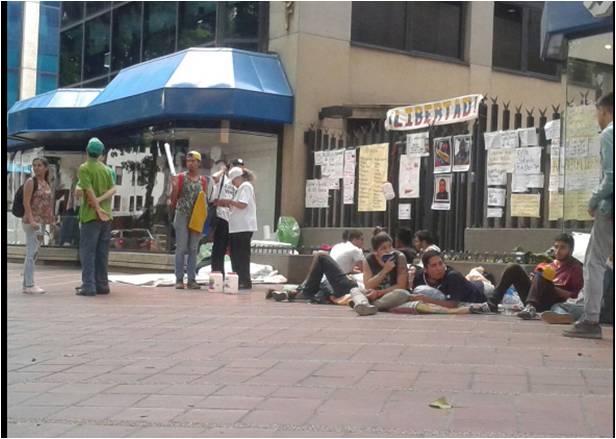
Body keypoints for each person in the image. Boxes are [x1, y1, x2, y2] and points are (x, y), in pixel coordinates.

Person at [564, 93, 614, 339]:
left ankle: (590, 319)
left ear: (605, 111)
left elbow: (611, 176)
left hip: (610, 209)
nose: (598, 118)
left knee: (595, 262)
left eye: (598, 113)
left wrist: (593, 201)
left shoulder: (609, 134)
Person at [486, 234, 583, 318]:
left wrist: (551, 287)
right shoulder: (550, 264)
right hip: (535, 298)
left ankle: (530, 307)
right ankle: (491, 304)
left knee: (542, 274)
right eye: (556, 247)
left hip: (552, 303)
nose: (557, 251)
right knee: (513, 268)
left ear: (570, 250)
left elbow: (575, 296)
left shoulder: (575, 268)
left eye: (562, 247)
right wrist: (534, 281)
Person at [270, 229, 365, 302]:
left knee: (318, 286)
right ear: (355, 239)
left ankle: (296, 292)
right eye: (362, 239)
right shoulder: (356, 250)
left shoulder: (338, 246)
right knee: (321, 256)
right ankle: (300, 293)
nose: (363, 242)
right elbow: (363, 270)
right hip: (337, 282)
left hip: (327, 281)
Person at [76, 138, 115, 297]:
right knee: (102, 252)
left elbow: (88, 190)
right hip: (106, 217)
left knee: (88, 252)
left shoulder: (85, 168)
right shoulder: (108, 170)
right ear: (101, 153)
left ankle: (89, 286)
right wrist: (101, 203)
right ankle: (102, 284)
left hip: (90, 216)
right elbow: (113, 189)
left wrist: (96, 206)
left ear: (87, 150)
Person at [348, 230, 411, 315]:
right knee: (355, 290)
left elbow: (401, 286)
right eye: (383, 248)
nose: (388, 251)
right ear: (375, 252)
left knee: (403, 294)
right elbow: (368, 285)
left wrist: (379, 293)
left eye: (390, 246)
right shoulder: (368, 260)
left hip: (389, 294)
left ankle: (368, 305)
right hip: (373, 294)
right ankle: (363, 303)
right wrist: (384, 271)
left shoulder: (400, 257)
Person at [170, 151, 207, 290]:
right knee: (181, 248)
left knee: (193, 248)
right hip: (182, 215)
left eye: (193, 160)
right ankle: (179, 279)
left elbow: (204, 199)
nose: (190, 163)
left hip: (196, 216)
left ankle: (191, 279)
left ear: (198, 162)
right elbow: (173, 200)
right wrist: (174, 188)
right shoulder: (180, 178)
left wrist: (203, 217)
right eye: (188, 160)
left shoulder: (202, 180)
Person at [410, 250, 488, 308]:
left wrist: (427, 300)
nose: (439, 268)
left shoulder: (453, 276)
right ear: (425, 269)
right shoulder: (419, 276)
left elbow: (452, 304)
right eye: (434, 265)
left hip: (482, 291)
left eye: (440, 263)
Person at [21, 157, 55, 294]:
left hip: (40, 222)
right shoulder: (31, 182)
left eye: (39, 165)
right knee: (31, 253)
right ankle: (29, 284)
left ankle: (27, 284)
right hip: (31, 222)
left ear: (46, 167)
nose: (36, 168)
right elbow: (26, 202)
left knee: (34, 253)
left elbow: (46, 205)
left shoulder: (46, 183)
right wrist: (32, 220)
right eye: (34, 165)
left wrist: (50, 221)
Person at [223, 167, 257, 290]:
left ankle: (244, 280)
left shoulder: (246, 186)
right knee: (236, 254)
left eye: (233, 181)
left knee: (241, 255)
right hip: (237, 227)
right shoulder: (241, 188)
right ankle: (238, 279)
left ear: (238, 178)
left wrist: (229, 202)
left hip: (243, 226)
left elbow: (243, 204)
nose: (233, 184)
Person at [209, 161, 236, 276]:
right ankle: (218, 273)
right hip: (221, 216)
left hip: (234, 219)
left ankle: (233, 275)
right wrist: (222, 170)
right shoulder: (223, 178)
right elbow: (214, 177)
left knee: (233, 249)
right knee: (219, 248)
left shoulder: (240, 184)